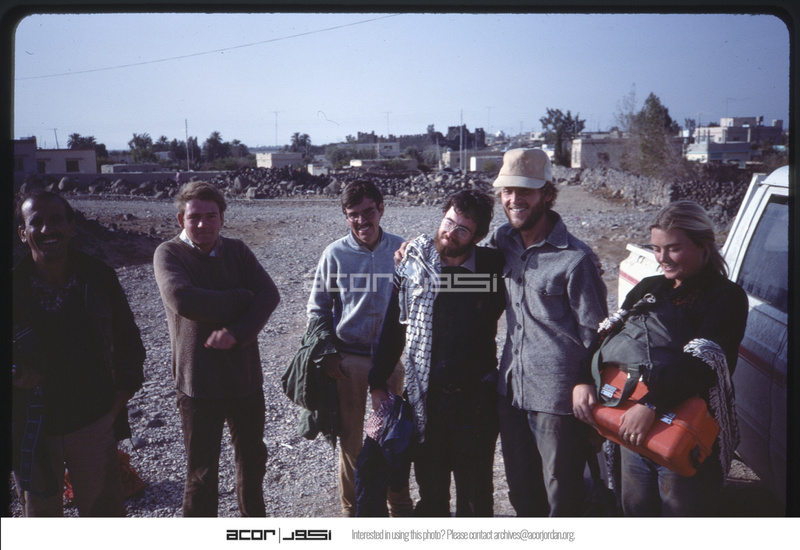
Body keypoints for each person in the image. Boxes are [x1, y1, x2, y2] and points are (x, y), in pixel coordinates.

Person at [573, 200, 748, 516]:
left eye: (673, 248)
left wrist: (651, 405)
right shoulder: (649, 288)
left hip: (683, 427)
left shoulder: (725, 297)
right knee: (636, 513)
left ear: (703, 245)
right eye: (656, 248)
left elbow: (704, 364)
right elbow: (607, 336)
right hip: (632, 421)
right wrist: (583, 379)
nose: (662, 258)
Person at [369, 188, 506, 517]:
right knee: (431, 495)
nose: (450, 233)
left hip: (475, 404)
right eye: (448, 222)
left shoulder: (492, 268)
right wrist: (377, 381)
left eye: (463, 230)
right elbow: (394, 327)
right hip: (427, 401)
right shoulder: (413, 262)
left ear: (478, 237)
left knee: (476, 498)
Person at [488, 148, 608, 516]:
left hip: (557, 401)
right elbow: (461, 264)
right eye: (507, 191)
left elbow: (598, 334)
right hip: (511, 393)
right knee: (523, 495)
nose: (514, 199)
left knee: (562, 498)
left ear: (546, 194)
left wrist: (588, 387)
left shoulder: (576, 259)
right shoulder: (502, 241)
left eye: (525, 191)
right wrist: (417, 251)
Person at [12, 190, 145, 516]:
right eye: (36, 222)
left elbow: (130, 346)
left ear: (72, 227)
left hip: (93, 424)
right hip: (32, 431)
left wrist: (114, 408)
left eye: (56, 219)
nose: (47, 229)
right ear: (23, 233)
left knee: (104, 518)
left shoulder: (99, 278)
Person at [153, 181, 280, 517]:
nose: (203, 224)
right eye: (194, 217)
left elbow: (269, 295)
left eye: (211, 216)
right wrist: (241, 297)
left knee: (252, 464)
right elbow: (183, 299)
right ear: (181, 219)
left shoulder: (237, 251)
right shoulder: (169, 254)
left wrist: (237, 333)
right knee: (202, 473)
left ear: (222, 218)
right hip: (198, 383)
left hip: (245, 379)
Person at [306, 180, 413, 517]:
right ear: (345, 216)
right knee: (351, 440)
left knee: (394, 437)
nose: (362, 220)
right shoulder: (335, 254)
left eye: (368, 212)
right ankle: (353, 510)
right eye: (353, 214)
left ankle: (399, 506)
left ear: (381, 208)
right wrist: (327, 355)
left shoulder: (401, 250)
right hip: (348, 359)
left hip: (390, 359)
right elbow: (318, 309)